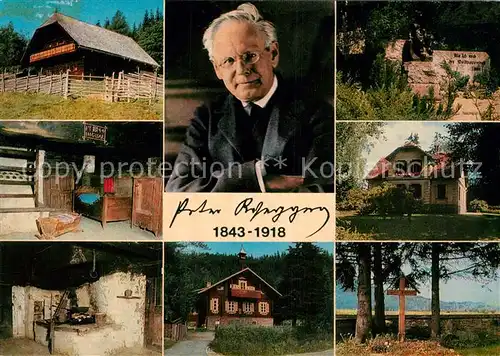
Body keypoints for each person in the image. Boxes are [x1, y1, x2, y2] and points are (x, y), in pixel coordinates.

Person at [166, 3, 333, 192]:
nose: (242, 70)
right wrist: (258, 180)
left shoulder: (317, 114)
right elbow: (178, 190)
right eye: (228, 60)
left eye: (250, 56)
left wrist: (222, 186)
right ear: (217, 69)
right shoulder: (206, 118)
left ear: (274, 54)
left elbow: (321, 192)